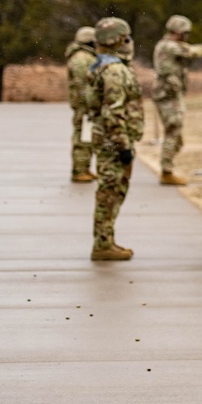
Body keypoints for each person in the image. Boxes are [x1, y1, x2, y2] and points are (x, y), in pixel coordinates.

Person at [88, 17, 144, 261]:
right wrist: (123, 145)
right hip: (113, 143)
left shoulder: (103, 65)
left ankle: (107, 240)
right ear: (120, 40)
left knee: (112, 191)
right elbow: (113, 111)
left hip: (109, 139)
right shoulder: (114, 71)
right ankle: (102, 244)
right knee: (110, 191)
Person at [151, 14, 202, 185]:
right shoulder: (169, 46)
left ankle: (167, 167)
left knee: (176, 136)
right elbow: (193, 52)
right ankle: (166, 171)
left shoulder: (168, 45)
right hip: (167, 96)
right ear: (179, 32)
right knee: (173, 131)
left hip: (171, 94)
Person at [65, 26, 98, 182]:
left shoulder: (84, 56)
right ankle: (79, 170)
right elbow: (82, 84)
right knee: (82, 138)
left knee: (87, 136)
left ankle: (84, 167)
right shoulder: (81, 58)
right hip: (84, 105)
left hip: (85, 103)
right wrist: (90, 104)